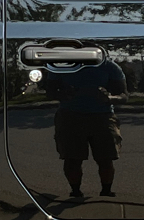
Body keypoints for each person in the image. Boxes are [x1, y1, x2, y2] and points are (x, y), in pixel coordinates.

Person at [43, 59, 127, 197]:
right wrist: (64, 94)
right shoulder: (61, 66)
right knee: (71, 158)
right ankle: (75, 191)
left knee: (106, 158)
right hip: (70, 115)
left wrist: (109, 98)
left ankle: (106, 191)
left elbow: (124, 96)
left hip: (103, 116)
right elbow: (50, 92)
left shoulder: (109, 67)